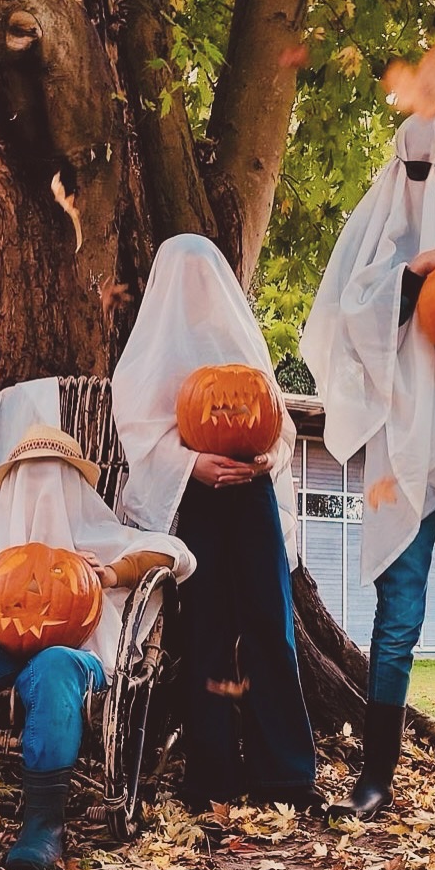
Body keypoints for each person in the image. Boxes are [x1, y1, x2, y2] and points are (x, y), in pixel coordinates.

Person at [300, 114, 435, 846]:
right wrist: (413, 275)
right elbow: (334, 330)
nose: (434, 189)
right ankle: (376, 780)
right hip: (405, 452)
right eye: (419, 172)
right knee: (396, 621)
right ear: (399, 173)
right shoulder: (380, 252)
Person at [0, 407, 196, 870]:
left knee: (57, 666)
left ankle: (43, 825)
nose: (40, 493)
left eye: (53, 479)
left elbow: (176, 553)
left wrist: (111, 572)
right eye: (28, 478)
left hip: (76, 651)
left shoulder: (97, 534)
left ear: (74, 487)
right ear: (12, 484)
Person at [111, 233, 321, 813]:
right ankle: (213, 775)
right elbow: (140, 431)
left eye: (207, 277)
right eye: (186, 277)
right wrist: (190, 463)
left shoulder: (242, 343)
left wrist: (264, 460)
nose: (197, 288)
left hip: (250, 498)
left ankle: (286, 775)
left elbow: (279, 428)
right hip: (191, 501)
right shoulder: (148, 352)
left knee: (269, 625)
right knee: (204, 631)